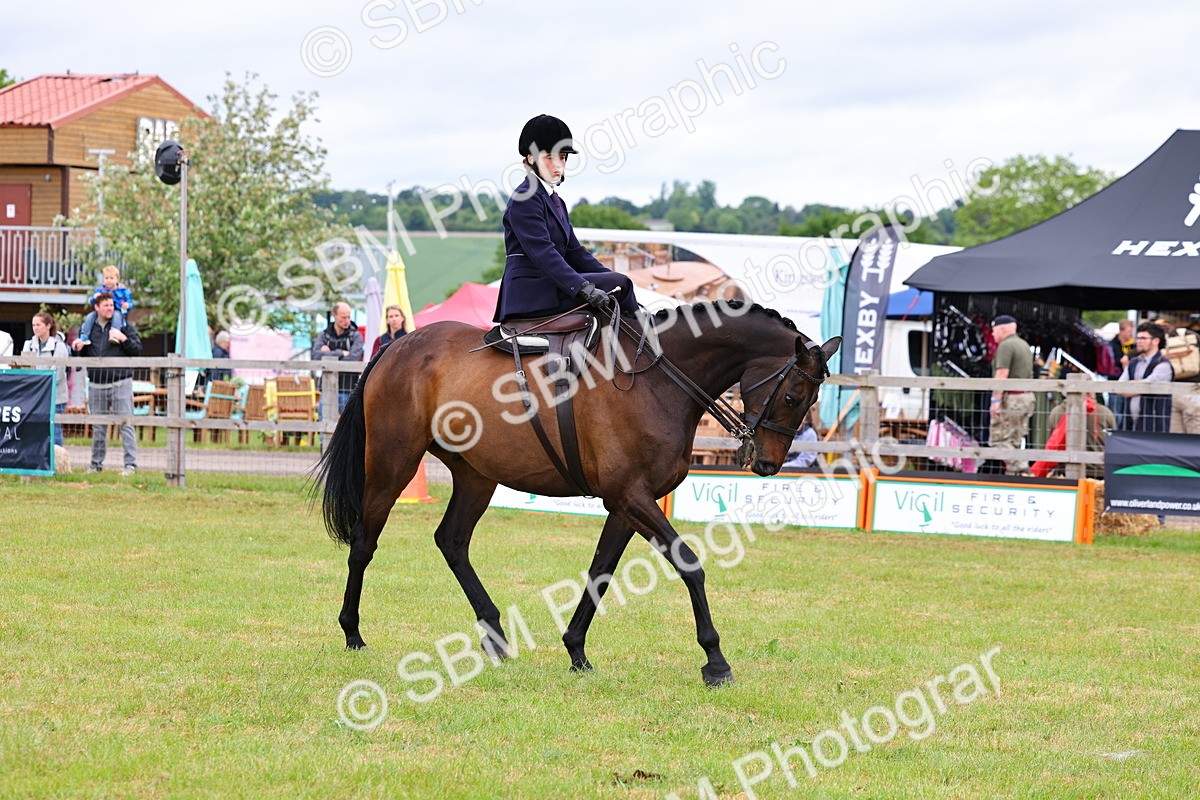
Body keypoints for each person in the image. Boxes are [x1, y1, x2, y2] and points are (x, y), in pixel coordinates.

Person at [493, 114, 639, 323]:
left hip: (551, 285)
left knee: (619, 284)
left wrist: (607, 276)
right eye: (550, 158)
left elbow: (575, 252)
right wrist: (583, 287)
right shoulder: (524, 198)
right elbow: (544, 253)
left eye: (562, 157)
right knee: (620, 284)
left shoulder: (555, 200)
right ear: (531, 158)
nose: (558, 165)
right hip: (531, 292)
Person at [71, 291, 143, 475]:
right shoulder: (88, 329)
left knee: (126, 424)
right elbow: (82, 356)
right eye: (106, 306)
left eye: (112, 305)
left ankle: (130, 465)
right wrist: (77, 349)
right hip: (96, 384)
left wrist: (123, 338)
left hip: (121, 382)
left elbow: (137, 350)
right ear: (97, 308)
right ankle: (96, 465)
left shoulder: (124, 326)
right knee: (98, 427)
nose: (110, 308)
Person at [987, 314, 1035, 475]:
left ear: (1002, 329)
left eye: (993, 330)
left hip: (1012, 399)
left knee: (999, 440)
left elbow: (1002, 374)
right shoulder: (1024, 345)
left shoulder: (1006, 346)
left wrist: (995, 400)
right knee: (1015, 439)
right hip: (1026, 397)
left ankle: (1022, 469)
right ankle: (1014, 476)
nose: (992, 334)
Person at [21, 312, 71, 447]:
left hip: (55, 396)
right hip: (34, 396)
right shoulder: (29, 345)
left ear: (48, 326)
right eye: (33, 325)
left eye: (38, 325)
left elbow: (58, 374)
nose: (35, 328)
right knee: (35, 429)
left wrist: (39, 384)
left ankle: (57, 463)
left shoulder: (59, 347)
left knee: (54, 430)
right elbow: (25, 370)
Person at [1116, 322, 1173, 432]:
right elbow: (1119, 387)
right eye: (1138, 338)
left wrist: (1132, 386)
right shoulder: (1133, 362)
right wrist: (1140, 387)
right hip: (1130, 424)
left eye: (1143, 338)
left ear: (1156, 341)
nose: (1139, 341)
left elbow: (1150, 386)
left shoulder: (1164, 364)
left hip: (1154, 426)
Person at [314, 301, 364, 413]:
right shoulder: (324, 335)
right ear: (334, 315)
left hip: (349, 388)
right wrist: (340, 352)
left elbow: (354, 358)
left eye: (348, 317)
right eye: (343, 317)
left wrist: (328, 354)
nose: (347, 321)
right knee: (324, 424)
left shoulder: (356, 336)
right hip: (327, 388)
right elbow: (316, 356)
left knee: (349, 426)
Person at [80, 265, 135, 342]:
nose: (109, 280)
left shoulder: (123, 291)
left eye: (111, 278)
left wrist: (127, 305)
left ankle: (114, 335)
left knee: (116, 315)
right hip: (102, 312)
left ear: (117, 279)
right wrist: (94, 298)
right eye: (106, 278)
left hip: (117, 311)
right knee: (90, 316)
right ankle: (84, 336)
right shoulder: (100, 290)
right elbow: (92, 302)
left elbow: (130, 303)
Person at [1107, 319, 1135, 428]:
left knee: (1126, 413)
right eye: (1129, 331)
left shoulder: (1132, 345)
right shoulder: (1112, 345)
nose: (1131, 334)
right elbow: (1112, 362)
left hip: (1129, 383)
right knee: (1116, 412)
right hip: (1116, 381)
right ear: (1121, 331)